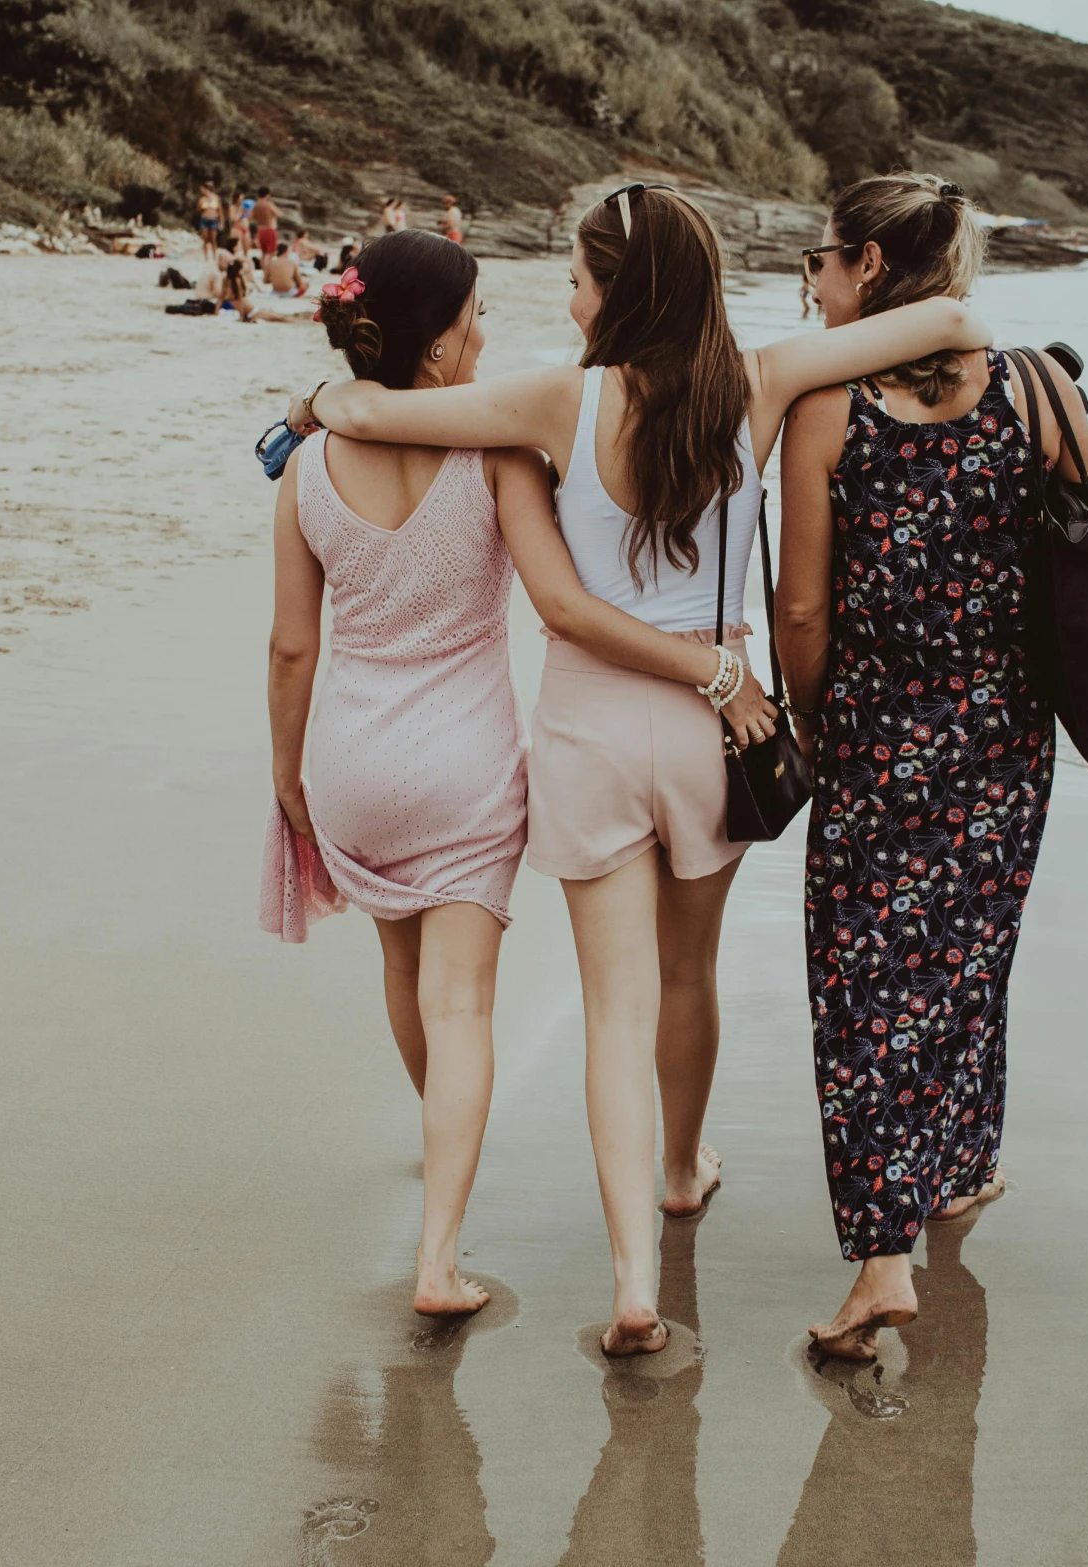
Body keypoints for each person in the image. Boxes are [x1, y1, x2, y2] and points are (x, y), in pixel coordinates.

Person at [286, 184, 994, 1356]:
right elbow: (955, 325)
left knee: (614, 1009)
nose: (566, 300)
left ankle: (630, 1286)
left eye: (577, 278)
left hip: (592, 728)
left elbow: (383, 416)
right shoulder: (758, 383)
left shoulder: (559, 400)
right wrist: (936, 330)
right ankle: (681, 1168)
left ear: (621, 292)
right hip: (721, 727)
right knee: (686, 977)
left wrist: (315, 396)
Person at [263, 230, 779, 1320]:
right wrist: (713, 661)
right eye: (472, 319)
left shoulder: (303, 471)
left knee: (407, 983)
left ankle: (442, 1146)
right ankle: (451, 1254)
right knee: (478, 1006)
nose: (487, 333)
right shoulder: (502, 452)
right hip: (471, 764)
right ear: (437, 340)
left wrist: (288, 775)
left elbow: (291, 648)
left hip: (352, 757)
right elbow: (561, 595)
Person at [774, 173, 1088, 1361]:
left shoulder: (826, 408)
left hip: (875, 737)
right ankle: (956, 1169)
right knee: (966, 955)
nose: (813, 281)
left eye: (822, 260)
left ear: (865, 268)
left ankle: (878, 1261)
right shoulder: (1030, 386)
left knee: (862, 990)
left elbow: (802, 608)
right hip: (1004, 738)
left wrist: (811, 730)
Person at [195, 181, 222, 267]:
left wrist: (221, 222)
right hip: (205, 220)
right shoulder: (201, 200)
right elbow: (199, 210)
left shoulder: (216, 198)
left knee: (213, 239)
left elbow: (220, 211)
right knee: (205, 239)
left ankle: (214, 256)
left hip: (213, 219)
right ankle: (206, 257)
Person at [253, 190, 282, 256]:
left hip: (260, 230)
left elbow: (252, 217)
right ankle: (268, 266)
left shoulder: (256, 205)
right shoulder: (269, 204)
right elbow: (279, 214)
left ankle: (264, 266)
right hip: (270, 229)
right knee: (271, 253)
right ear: (267, 195)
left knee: (263, 253)